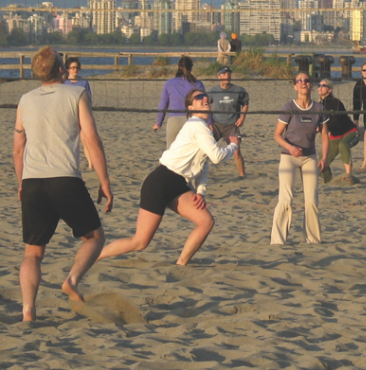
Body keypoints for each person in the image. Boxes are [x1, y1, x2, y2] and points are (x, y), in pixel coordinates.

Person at [14, 47, 113, 321]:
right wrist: (104, 182)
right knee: (94, 238)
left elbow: (18, 149)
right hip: (64, 179)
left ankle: (27, 312)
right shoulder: (76, 94)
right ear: (61, 69)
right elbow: (92, 140)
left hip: (33, 181)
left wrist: (21, 182)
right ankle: (71, 279)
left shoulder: (25, 100)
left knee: (32, 253)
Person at [99, 89, 239, 266]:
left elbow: (204, 164)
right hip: (160, 182)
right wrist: (233, 145)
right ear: (190, 106)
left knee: (206, 221)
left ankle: (181, 264)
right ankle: (95, 256)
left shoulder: (203, 128)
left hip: (179, 184)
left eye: (205, 97)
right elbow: (217, 156)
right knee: (140, 242)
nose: (204, 99)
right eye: (198, 97)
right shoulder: (196, 125)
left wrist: (201, 192)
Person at [272, 72, 330, 245]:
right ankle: (278, 240)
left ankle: (313, 239)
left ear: (311, 85)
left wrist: (324, 157)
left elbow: (325, 136)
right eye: (300, 81)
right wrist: (290, 147)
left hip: (309, 157)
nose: (303, 83)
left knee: (311, 201)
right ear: (295, 86)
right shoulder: (288, 107)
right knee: (286, 199)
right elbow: (277, 135)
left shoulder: (319, 109)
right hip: (289, 157)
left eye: (307, 80)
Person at [154, 56, 206, 149]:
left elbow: (163, 105)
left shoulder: (169, 83)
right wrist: (209, 122)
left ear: (178, 67)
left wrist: (158, 123)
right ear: (191, 67)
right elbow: (204, 104)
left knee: (171, 152)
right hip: (192, 120)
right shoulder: (197, 83)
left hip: (174, 120)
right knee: (192, 151)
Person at [207, 66, 249, 177]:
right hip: (216, 125)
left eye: (229, 74)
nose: (227, 76)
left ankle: (242, 175)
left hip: (231, 125)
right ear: (219, 76)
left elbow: (245, 103)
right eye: (224, 74)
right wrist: (209, 121)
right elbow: (206, 105)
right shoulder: (213, 91)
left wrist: (242, 117)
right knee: (206, 149)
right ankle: (201, 172)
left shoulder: (238, 91)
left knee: (236, 151)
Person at [318, 78, 358, 183]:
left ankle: (349, 174)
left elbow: (335, 121)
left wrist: (321, 127)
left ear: (330, 90)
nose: (320, 87)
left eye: (324, 86)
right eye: (319, 85)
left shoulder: (335, 102)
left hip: (350, 132)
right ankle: (329, 180)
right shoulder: (318, 105)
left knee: (343, 145)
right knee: (322, 160)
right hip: (335, 136)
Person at [64, 56, 94, 170]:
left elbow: (89, 99)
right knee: (69, 141)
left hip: (82, 115)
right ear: (68, 69)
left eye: (76, 68)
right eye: (72, 68)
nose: (75, 70)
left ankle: (91, 163)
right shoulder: (64, 83)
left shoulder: (83, 82)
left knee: (86, 140)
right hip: (68, 115)